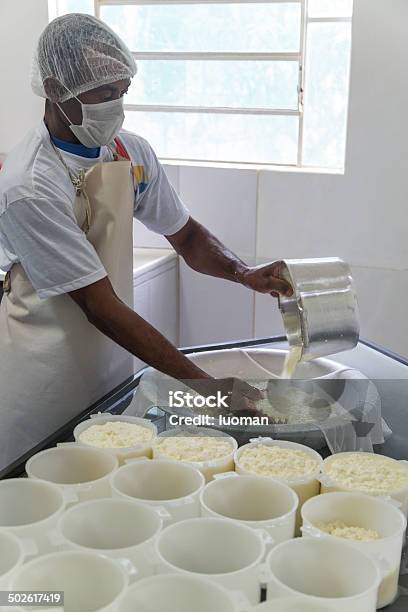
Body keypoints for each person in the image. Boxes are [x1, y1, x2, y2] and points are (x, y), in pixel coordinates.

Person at [0, 14, 292, 471]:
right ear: (56, 90)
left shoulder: (129, 153)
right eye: (103, 95)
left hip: (109, 368)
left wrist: (242, 273)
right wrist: (206, 388)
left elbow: (187, 235)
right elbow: (99, 305)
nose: (116, 108)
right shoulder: (30, 184)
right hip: (45, 388)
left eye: (122, 93)